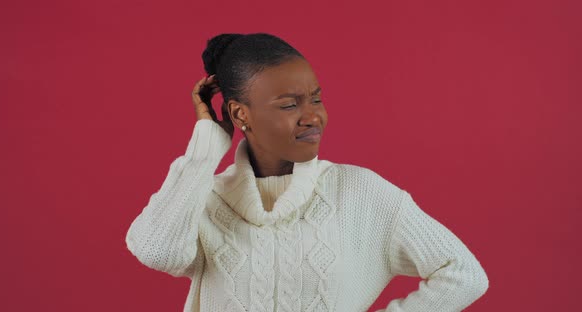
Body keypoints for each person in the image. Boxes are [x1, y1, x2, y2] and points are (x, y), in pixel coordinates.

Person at [125, 32, 489, 312]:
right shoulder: (207, 200)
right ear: (240, 115)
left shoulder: (360, 193)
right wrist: (205, 148)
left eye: (315, 98)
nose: (313, 116)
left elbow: (462, 274)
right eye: (289, 104)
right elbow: (158, 251)